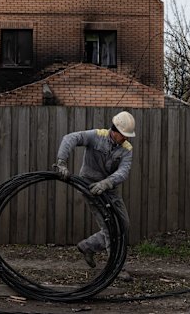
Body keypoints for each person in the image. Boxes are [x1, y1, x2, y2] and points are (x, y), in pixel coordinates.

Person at [54, 111, 135, 277]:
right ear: (115, 131)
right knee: (109, 227)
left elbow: (124, 171)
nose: (126, 138)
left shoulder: (127, 149)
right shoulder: (96, 136)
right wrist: (61, 162)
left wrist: (107, 183)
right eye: (124, 135)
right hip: (90, 188)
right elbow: (69, 138)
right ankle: (116, 267)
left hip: (109, 189)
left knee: (123, 224)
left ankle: (88, 246)